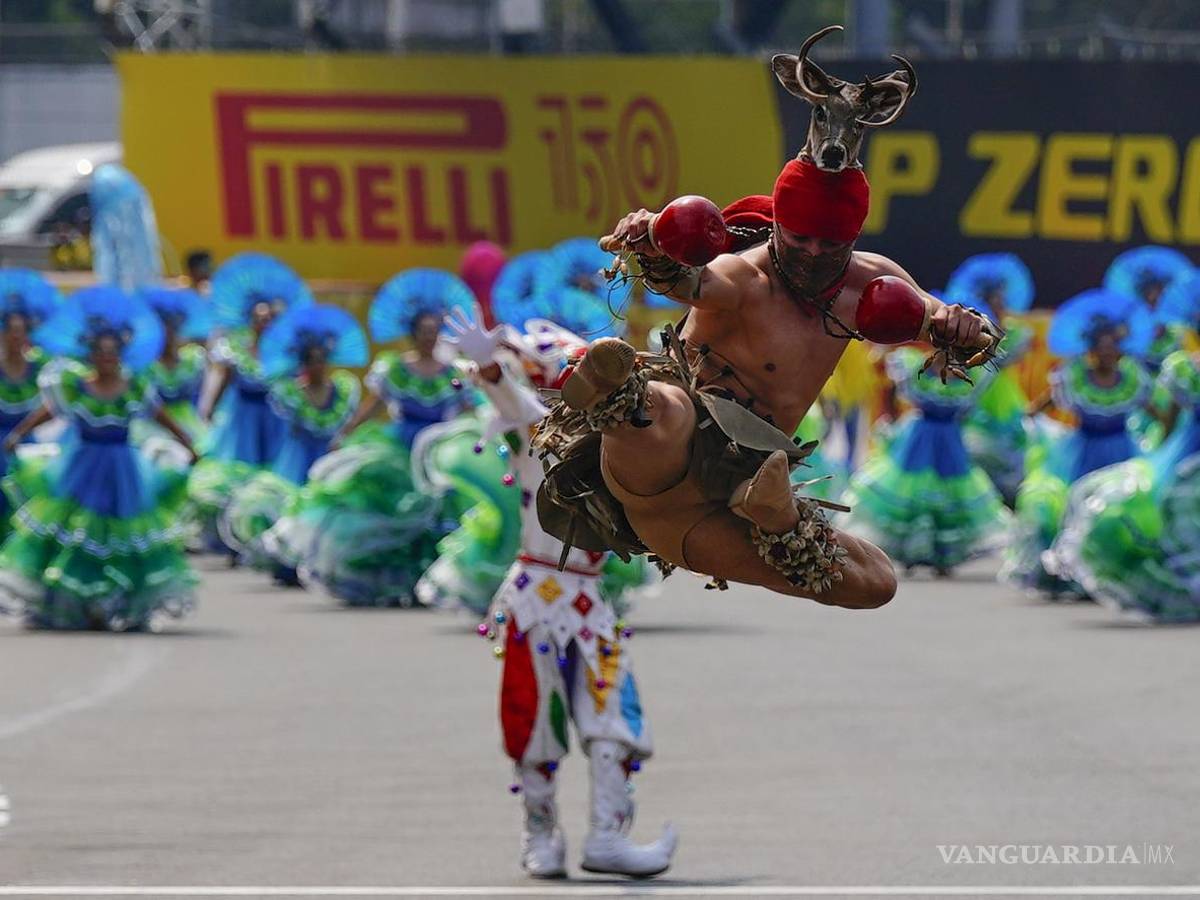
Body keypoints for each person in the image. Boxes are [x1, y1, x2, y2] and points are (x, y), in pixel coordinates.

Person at [535, 157, 995, 605]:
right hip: (668, 460)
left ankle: (779, 516)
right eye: (800, 238)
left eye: (830, 244)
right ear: (777, 225)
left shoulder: (874, 283)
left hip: (721, 508)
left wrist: (968, 327)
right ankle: (616, 388)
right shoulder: (746, 276)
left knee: (875, 582)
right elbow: (691, 282)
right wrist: (654, 246)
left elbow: (953, 327)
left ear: (852, 236)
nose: (814, 252)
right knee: (667, 412)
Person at [445, 307, 676, 879]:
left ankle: (605, 837)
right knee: (535, 720)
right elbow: (511, 402)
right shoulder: (536, 433)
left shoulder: (620, 445)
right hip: (537, 599)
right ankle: (542, 834)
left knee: (611, 719)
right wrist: (487, 366)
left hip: (591, 603)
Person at [0, 286, 198, 631]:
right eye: (101, 352)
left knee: (121, 536)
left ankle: (118, 601)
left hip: (125, 473)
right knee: (76, 533)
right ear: (90, 353)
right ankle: (73, 602)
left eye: (113, 352)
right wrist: (18, 433)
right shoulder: (77, 387)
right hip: (81, 469)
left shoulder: (135, 388)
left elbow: (160, 415)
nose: (107, 358)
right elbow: (49, 411)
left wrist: (187, 442)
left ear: (123, 353)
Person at [1001, 290, 1156, 594]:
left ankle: (1110, 572)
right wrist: (1031, 420)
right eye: (1102, 345)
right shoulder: (1074, 376)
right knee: (1072, 510)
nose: (1109, 352)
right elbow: (1043, 404)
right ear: (1091, 348)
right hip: (1081, 454)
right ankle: (1070, 573)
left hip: (1122, 453)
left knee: (1117, 511)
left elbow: (1157, 411)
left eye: (1114, 345)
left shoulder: (1133, 379)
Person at [1046, 348, 1200, 622]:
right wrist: (1157, 458)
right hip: (1186, 454)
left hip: (1132, 446)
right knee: (1173, 520)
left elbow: (1160, 414)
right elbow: (1170, 419)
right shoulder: (1185, 369)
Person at [840, 345, 1011, 576]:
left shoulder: (971, 376)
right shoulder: (916, 366)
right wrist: (890, 418)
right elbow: (893, 391)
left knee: (950, 495)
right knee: (912, 494)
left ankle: (944, 554)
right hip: (918, 441)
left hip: (950, 443)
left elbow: (972, 408)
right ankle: (909, 552)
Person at [221, 305, 365, 576]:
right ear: (304, 363)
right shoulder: (290, 392)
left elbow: (351, 418)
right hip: (296, 456)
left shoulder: (341, 390)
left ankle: (322, 559)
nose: (318, 365)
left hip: (326, 455)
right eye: (312, 360)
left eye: (323, 359)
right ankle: (288, 560)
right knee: (293, 504)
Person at [335, 269, 477, 449]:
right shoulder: (396, 369)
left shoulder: (451, 373)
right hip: (401, 445)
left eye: (433, 332)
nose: (428, 337)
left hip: (438, 447)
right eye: (424, 332)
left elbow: (468, 409)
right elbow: (375, 404)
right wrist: (347, 432)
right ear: (413, 333)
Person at [945, 254, 1036, 505]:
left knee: (1011, 455)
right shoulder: (973, 331)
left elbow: (1008, 353)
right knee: (974, 454)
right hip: (977, 394)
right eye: (995, 298)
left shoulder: (1015, 332)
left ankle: (1005, 504)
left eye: (1003, 298)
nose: (1001, 303)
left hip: (1003, 397)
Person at [0, 270, 60, 540]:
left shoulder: (40, 368)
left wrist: (21, 433)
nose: (16, 337)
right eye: (10, 331)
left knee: (31, 504)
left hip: (27, 446)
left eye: (21, 331)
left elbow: (54, 405)